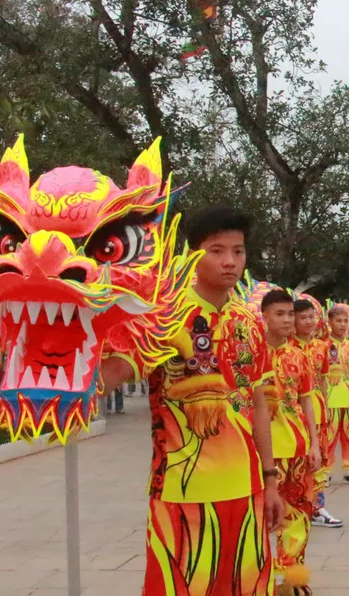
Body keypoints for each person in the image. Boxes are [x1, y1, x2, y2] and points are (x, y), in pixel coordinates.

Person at [100, 205, 284, 596]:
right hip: (182, 493)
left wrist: (270, 481)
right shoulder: (162, 318)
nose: (230, 261)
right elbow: (112, 375)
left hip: (246, 488)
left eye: (238, 250)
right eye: (217, 250)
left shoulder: (248, 323)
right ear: (192, 255)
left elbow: (259, 405)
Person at [260, 289, 322, 593]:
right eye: (280, 314)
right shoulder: (249, 355)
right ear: (265, 317)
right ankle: (258, 579)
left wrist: (315, 444)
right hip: (260, 453)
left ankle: (290, 580)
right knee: (260, 517)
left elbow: (307, 401)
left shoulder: (298, 356)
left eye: (290, 314)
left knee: (297, 513)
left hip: (296, 448)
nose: (287, 320)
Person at [292, 300, 342, 529]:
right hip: (293, 413)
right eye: (303, 317)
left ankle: (317, 507)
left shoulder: (322, 347)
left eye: (312, 316)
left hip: (318, 410)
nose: (309, 321)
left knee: (319, 458)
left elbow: (322, 379)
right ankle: (294, 506)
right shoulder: (287, 347)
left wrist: (326, 405)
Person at [322, 305, 349, 486]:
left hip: (348, 397)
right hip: (329, 399)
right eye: (338, 321)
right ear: (329, 322)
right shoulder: (322, 346)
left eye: (345, 321)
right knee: (328, 437)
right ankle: (326, 472)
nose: (342, 324)